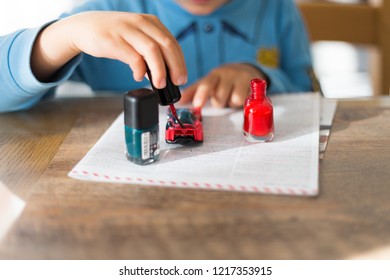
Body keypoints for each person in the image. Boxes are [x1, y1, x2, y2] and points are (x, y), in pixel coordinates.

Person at [0, 0, 314, 113]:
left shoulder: (278, 8)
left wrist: (261, 78)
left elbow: (308, 94)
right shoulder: (108, 11)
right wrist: (62, 37)